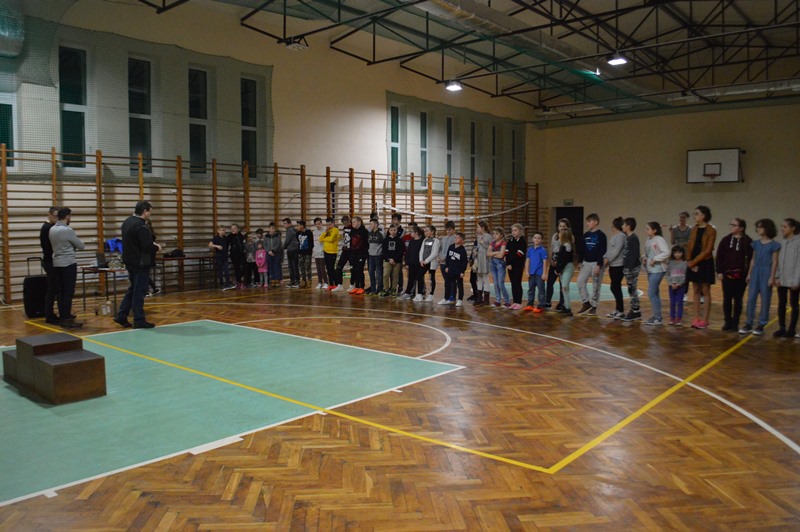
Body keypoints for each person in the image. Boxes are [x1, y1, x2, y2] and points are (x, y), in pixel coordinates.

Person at [114, 201, 161, 329]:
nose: (150, 214)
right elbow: (147, 246)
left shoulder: (127, 222)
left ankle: (122, 315)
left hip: (130, 260)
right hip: (141, 262)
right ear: (145, 211)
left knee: (134, 288)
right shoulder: (140, 226)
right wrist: (157, 247)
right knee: (140, 291)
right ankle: (139, 319)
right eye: (149, 212)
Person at [740, 219, 780, 336]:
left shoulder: (774, 245)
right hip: (755, 271)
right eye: (757, 227)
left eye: (760, 227)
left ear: (767, 228)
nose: (758, 229)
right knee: (751, 298)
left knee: (765, 298)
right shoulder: (756, 244)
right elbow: (753, 259)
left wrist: (772, 276)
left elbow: (775, 261)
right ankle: (749, 322)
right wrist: (749, 273)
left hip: (766, 271)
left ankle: (762, 323)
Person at [49, 207, 85, 329]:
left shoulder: (52, 229)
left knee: (61, 292)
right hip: (68, 263)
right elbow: (81, 246)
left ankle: (63, 316)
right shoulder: (67, 230)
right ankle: (67, 319)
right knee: (68, 292)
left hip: (56, 262)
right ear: (67, 216)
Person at [715, 218, 753, 332]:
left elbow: (751, 259)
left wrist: (748, 274)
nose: (731, 226)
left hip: (741, 275)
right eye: (730, 224)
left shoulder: (747, 241)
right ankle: (727, 321)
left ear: (741, 228)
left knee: (738, 299)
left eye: (734, 225)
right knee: (727, 298)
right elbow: (719, 256)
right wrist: (719, 271)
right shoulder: (726, 240)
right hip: (727, 274)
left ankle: (735, 322)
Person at [686, 206, 717, 329]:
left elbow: (708, 250)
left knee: (705, 290)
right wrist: (689, 260)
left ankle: (705, 319)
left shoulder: (711, 230)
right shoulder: (694, 229)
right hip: (693, 261)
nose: (694, 216)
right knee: (695, 289)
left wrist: (693, 262)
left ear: (704, 216)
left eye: (697, 214)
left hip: (705, 261)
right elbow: (690, 245)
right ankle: (696, 318)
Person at [576, 213, 607, 316]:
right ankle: (586, 302)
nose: (587, 223)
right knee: (580, 281)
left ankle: (594, 306)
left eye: (589, 221)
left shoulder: (601, 236)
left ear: (596, 222)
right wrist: (580, 261)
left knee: (595, 286)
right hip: (586, 263)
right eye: (587, 222)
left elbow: (602, 251)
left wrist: (599, 264)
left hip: (596, 263)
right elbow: (582, 249)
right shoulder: (585, 235)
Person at [774, 218, 800, 338]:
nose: (782, 229)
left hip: (794, 279)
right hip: (782, 278)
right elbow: (778, 261)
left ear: (793, 228)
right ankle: (782, 327)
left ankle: (792, 328)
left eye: (785, 227)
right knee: (781, 303)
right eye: (782, 226)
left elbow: (799, 262)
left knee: (794, 304)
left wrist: (796, 280)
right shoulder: (782, 242)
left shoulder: (798, 242)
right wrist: (777, 276)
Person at [643, 221, 670, 326]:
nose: (646, 231)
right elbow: (647, 253)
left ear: (654, 230)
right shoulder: (648, 240)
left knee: (651, 293)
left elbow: (666, 252)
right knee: (655, 293)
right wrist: (644, 258)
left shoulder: (659, 239)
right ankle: (657, 316)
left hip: (658, 269)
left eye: (648, 229)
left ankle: (658, 317)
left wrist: (655, 259)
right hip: (650, 269)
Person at [40, 206, 60, 324]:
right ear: (50, 215)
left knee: (54, 289)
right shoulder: (47, 228)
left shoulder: (51, 227)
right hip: (50, 262)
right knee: (52, 289)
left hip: (51, 261)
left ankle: (54, 313)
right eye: (55, 216)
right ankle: (49, 315)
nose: (57, 218)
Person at [604, 217, 626, 319]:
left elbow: (616, 251)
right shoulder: (614, 236)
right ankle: (618, 309)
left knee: (615, 287)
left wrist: (608, 259)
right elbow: (610, 250)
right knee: (614, 287)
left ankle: (620, 310)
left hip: (618, 265)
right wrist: (605, 257)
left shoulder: (621, 236)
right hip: (612, 265)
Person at [546, 218, 570, 311]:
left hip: (562, 263)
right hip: (553, 261)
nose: (561, 228)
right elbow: (551, 248)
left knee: (562, 285)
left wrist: (559, 262)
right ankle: (547, 302)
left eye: (564, 226)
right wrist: (551, 260)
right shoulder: (555, 236)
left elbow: (566, 252)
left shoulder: (569, 237)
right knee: (550, 283)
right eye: (560, 226)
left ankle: (561, 303)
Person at [621, 218, 642, 322]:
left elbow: (634, 254)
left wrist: (629, 268)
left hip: (632, 268)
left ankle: (636, 310)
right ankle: (634, 308)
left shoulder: (633, 238)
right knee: (631, 289)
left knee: (632, 289)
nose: (622, 226)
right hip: (628, 267)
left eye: (624, 225)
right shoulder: (628, 238)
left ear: (628, 226)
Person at [440, 232, 468, 307]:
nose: (456, 239)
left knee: (459, 285)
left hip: (458, 271)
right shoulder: (451, 247)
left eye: (458, 238)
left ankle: (460, 299)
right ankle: (446, 298)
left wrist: (462, 271)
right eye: (455, 237)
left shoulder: (462, 250)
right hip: (450, 270)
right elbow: (448, 258)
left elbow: (464, 262)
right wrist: (447, 266)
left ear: (462, 240)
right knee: (448, 284)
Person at [554, 226, 575, 317]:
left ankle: (568, 308)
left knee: (565, 287)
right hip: (563, 269)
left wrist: (558, 270)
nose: (559, 234)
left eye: (560, 233)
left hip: (567, 268)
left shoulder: (567, 246)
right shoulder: (563, 245)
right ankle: (566, 306)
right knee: (564, 288)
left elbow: (564, 260)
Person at [524, 231, 548, 312]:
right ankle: (530, 304)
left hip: (539, 273)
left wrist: (544, 273)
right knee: (531, 289)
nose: (537, 239)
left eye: (539, 238)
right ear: (532, 239)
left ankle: (541, 305)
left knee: (541, 290)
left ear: (542, 240)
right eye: (535, 238)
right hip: (531, 273)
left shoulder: (542, 250)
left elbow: (545, 262)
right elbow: (527, 261)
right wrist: (527, 271)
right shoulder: (530, 250)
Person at [505, 223, 527, 310]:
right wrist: (508, 263)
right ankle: (514, 301)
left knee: (517, 283)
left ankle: (519, 302)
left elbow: (519, 254)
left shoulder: (522, 242)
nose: (513, 232)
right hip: (510, 266)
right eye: (512, 230)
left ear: (520, 231)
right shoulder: (510, 241)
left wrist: (511, 262)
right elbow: (506, 252)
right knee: (513, 283)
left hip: (518, 265)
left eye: (515, 230)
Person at [400, 226, 424, 300]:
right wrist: (407, 263)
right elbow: (408, 252)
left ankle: (420, 293)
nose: (410, 233)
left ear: (416, 233)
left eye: (412, 232)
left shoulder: (422, 241)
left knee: (420, 278)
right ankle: (408, 292)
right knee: (411, 278)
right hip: (411, 263)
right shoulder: (411, 241)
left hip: (419, 264)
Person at [488, 227, 510, 308]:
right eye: (493, 234)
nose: (494, 235)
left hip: (500, 264)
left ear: (501, 235)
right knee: (495, 283)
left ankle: (507, 301)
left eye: (496, 234)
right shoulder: (492, 243)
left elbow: (501, 256)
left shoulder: (503, 243)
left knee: (500, 283)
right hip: (492, 264)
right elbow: (488, 254)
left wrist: (493, 254)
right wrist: (497, 252)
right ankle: (498, 300)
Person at [472, 221, 492, 306]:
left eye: (478, 227)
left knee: (485, 279)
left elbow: (491, 248)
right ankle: (479, 298)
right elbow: (477, 246)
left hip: (485, 259)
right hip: (478, 259)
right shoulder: (478, 236)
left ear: (483, 228)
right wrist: (475, 251)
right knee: (479, 278)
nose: (476, 229)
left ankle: (486, 300)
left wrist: (483, 244)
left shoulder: (488, 236)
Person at [667, 245, 688, 326]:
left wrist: (679, 284)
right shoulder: (670, 263)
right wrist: (671, 283)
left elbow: (686, 276)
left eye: (679, 252)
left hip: (681, 286)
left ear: (683, 253)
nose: (677, 254)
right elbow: (668, 274)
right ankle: (672, 318)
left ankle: (679, 318)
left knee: (679, 302)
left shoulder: (685, 263)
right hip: (671, 286)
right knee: (672, 302)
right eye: (675, 252)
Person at [382, 223, 404, 297]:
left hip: (397, 261)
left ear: (397, 230)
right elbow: (383, 251)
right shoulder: (385, 240)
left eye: (394, 230)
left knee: (395, 276)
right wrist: (389, 259)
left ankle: (393, 290)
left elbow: (401, 251)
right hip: (387, 261)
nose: (393, 232)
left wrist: (394, 259)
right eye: (391, 230)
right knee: (385, 275)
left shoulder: (400, 240)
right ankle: (386, 290)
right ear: (389, 230)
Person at [348, 216, 369, 295]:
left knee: (360, 270)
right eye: (352, 222)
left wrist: (364, 254)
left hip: (361, 254)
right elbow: (351, 243)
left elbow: (367, 244)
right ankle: (356, 286)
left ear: (359, 222)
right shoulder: (352, 231)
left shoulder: (364, 231)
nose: (352, 223)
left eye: (354, 222)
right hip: (353, 254)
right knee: (354, 270)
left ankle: (361, 287)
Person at [419, 225, 440, 302]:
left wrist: (426, 261)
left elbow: (434, 253)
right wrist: (421, 260)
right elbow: (421, 250)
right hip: (423, 262)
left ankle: (431, 294)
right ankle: (420, 293)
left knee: (431, 278)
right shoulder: (425, 240)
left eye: (427, 231)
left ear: (432, 232)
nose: (426, 232)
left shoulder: (436, 241)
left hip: (431, 263)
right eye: (425, 231)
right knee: (419, 275)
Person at [208, 225, 233, 290]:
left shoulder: (226, 238)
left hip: (225, 256)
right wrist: (216, 246)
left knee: (226, 270)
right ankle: (221, 285)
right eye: (220, 230)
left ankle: (228, 284)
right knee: (220, 271)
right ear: (218, 231)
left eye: (223, 230)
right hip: (219, 257)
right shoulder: (216, 238)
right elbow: (210, 244)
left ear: (225, 231)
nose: (222, 231)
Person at [320, 217, 340, 291]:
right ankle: (331, 284)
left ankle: (336, 284)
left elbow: (331, 239)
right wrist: (325, 232)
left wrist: (325, 239)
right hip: (326, 251)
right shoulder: (327, 231)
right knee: (328, 269)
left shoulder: (335, 230)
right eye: (327, 224)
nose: (328, 226)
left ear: (333, 223)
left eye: (330, 224)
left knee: (332, 269)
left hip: (332, 252)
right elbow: (320, 239)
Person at [366, 218, 384, 295]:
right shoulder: (369, 233)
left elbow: (383, 244)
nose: (370, 225)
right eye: (370, 224)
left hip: (378, 256)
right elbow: (369, 243)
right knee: (371, 272)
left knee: (379, 272)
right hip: (371, 255)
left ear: (376, 224)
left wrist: (381, 253)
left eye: (371, 224)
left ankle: (380, 289)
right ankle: (373, 289)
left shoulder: (380, 234)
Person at [144, 218, 161, 296]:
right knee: (145, 273)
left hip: (147, 254)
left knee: (145, 273)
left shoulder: (147, 233)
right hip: (148, 254)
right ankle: (153, 289)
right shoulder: (149, 232)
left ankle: (148, 290)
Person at [438, 221, 456, 290]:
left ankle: (452, 294)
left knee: (451, 280)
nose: (448, 231)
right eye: (447, 230)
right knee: (446, 280)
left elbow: (452, 251)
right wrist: (440, 257)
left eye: (450, 229)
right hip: (442, 262)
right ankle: (447, 294)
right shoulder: (444, 238)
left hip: (450, 263)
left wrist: (445, 257)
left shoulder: (455, 239)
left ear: (453, 229)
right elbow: (440, 249)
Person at [282, 218, 300, 288]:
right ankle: (293, 281)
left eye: (285, 223)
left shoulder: (290, 230)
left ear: (289, 224)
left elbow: (287, 241)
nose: (284, 225)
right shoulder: (291, 230)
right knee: (291, 267)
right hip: (291, 250)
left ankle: (296, 281)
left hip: (293, 250)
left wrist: (282, 248)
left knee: (294, 267)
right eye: (283, 224)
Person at [311, 217, 329, 289]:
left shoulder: (325, 231)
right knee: (318, 268)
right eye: (316, 224)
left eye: (319, 224)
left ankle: (326, 282)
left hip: (322, 251)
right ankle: (320, 282)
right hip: (316, 252)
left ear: (321, 223)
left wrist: (323, 249)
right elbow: (314, 242)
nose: (317, 225)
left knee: (322, 268)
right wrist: (314, 250)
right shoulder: (314, 232)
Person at [264, 222, 283, 287]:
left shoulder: (277, 235)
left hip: (276, 253)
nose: (273, 230)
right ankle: (272, 280)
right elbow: (265, 245)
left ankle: (277, 280)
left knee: (276, 266)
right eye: (272, 228)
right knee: (270, 267)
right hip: (269, 254)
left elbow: (278, 244)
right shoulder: (266, 236)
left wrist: (273, 251)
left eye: (274, 228)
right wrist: (268, 251)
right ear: (269, 229)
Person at [228, 223, 247, 289]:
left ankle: (240, 281)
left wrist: (244, 250)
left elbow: (243, 243)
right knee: (237, 268)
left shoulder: (240, 235)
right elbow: (226, 244)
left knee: (244, 268)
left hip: (242, 254)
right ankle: (239, 282)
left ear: (238, 229)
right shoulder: (230, 236)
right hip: (234, 255)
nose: (233, 230)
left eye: (234, 228)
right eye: (232, 229)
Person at [296, 220, 314, 288]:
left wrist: (309, 251)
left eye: (298, 225)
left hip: (307, 253)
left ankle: (309, 280)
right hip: (300, 253)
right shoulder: (297, 233)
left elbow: (311, 243)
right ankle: (303, 280)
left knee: (307, 267)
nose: (297, 227)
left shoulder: (309, 232)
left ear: (302, 226)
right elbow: (298, 242)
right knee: (301, 267)